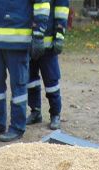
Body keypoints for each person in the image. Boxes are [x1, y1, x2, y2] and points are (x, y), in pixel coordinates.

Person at [0, 0, 48, 142]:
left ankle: (17, 127)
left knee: (18, 88)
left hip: (18, 43)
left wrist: (39, 34)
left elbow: (42, 6)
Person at [25, 0, 69, 131]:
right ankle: (35, 111)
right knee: (30, 80)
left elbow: (62, 10)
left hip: (48, 44)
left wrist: (59, 37)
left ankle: (55, 114)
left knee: (51, 81)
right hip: (29, 41)